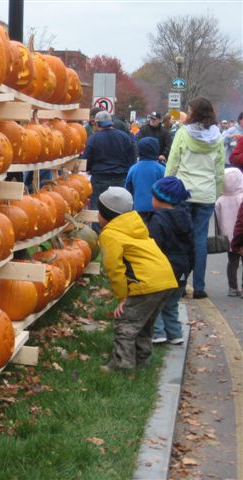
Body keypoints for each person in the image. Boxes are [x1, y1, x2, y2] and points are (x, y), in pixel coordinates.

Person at [97, 187, 177, 371]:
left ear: (106, 215)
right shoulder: (135, 227)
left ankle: (122, 365)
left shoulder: (110, 234)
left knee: (126, 323)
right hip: (165, 279)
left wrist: (122, 298)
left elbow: (115, 269)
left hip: (146, 284)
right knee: (144, 324)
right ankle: (142, 359)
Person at [165, 97, 225, 299]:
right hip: (206, 193)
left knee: (182, 238)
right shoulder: (217, 136)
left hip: (184, 192)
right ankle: (199, 287)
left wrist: (166, 186)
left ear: (194, 113)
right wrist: (216, 193)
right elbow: (219, 170)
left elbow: (173, 162)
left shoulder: (183, 133)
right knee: (200, 239)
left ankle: (181, 284)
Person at [147, 177, 194, 345]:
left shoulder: (158, 220)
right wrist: (188, 270)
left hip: (163, 269)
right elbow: (192, 247)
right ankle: (175, 334)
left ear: (160, 199)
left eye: (153, 196)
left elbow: (154, 247)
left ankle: (158, 333)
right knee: (172, 304)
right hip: (181, 270)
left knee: (156, 302)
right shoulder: (186, 218)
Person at [82, 110, 136, 230]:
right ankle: (119, 234)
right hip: (120, 178)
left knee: (98, 212)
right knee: (119, 211)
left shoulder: (93, 139)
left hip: (100, 179)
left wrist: (90, 169)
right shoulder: (124, 137)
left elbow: (86, 162)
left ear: (97, 124)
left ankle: (100, 237)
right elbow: (132, 159)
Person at [215, 168, 243, 297]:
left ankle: (232, 287)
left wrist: (220, 233)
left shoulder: (220, 200)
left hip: (228, 237)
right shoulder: (241, 198)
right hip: (241, 235)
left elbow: (218, 219)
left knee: (232, 262)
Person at [125, 137, 165, 213]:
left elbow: (128, 189)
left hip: (138, 207)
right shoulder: (161, 169)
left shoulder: (133, 169)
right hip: (157, 208)